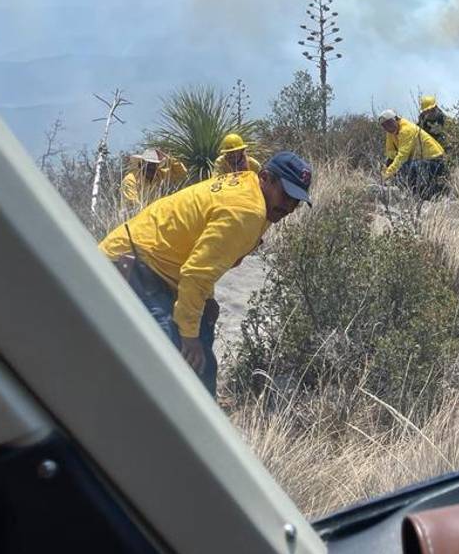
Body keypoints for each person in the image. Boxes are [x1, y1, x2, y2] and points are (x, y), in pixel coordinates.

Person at [100, 151, 312, 396]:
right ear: (265, 177)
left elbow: (205, 255)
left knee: (202, 354)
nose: (289, 207)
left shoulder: (257, 196)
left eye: (296, 201)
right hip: (136, 261)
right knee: (173, 353)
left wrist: (207, 300)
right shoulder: (246, 211)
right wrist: (188, 335)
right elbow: (196, 274)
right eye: (286, 195)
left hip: (165, 268)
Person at [379, 109, 446, 199]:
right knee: (403, 166)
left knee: (411, 166)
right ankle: (410, 192)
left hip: (436, 160)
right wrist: (385, 170)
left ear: (396, 119)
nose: (388, 127)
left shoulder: (406, 130)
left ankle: (434, 193)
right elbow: (390, 152)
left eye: (389, 123)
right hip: (420, 158)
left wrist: (387, 174)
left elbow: (402, 156)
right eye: (385, 126)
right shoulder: (391, 132)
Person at [121, 147, 188, 208]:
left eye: (154, 165)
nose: (151, 168)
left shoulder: (159, 175)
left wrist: (168, 158)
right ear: (141, 165)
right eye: (149, 164)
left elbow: (182, 173)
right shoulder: (130, 180)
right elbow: (132, 203)